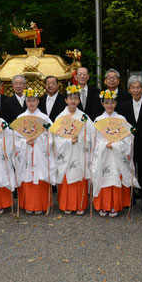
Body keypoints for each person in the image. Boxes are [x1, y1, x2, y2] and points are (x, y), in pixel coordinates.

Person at [90, 90, 133, 217]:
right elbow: (94, 140)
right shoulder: (98, 120)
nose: (109, 105)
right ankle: (103, 205)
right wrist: (104, 145)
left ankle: (115, 205)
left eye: (112, 102)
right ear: (102, 104)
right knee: (103, 178)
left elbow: (128, 138)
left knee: (116, 177)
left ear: (115, 103)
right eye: (106, 102)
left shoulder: (121, 119)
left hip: (116, 153)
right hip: (103, 154)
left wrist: (115, 144)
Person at [13, 88, 55, 214]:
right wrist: (25, 142)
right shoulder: (20, 118)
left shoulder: (44, 118)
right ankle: (27, 205)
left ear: (38, 101)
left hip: (39, 151)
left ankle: (41, 205)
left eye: (34, 100)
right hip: (25, 152)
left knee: (40, 175)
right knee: (27, 176)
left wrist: (37, 139)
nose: (31, 103)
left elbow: (50, 136)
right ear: (25, 102)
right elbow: (15, 137)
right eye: (28, 100)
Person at [53, 85, 93, 215]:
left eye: (76, 98)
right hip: (66, 152)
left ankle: (80, 205)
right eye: (70, 98)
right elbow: (55, 138)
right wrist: (68, 141)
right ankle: (66, 205)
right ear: (65, 100)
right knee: (66, 178)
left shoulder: (84, 117)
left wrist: (80, 139)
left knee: (79, 176)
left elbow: (91, 134)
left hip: (79, 151)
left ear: (79, 100)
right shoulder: (60, 117)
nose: (73, 101)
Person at [118, 75, 142, 211]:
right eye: (133, 87)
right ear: (129, 89)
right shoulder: (123, 106)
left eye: (138, 87)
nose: (136, 90)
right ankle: (129, 201)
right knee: (129, 172)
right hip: (128, 146)